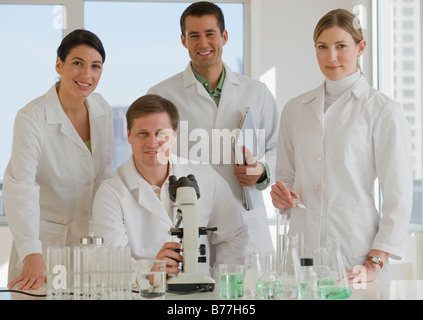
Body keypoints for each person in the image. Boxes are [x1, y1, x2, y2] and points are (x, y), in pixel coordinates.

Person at [270, 9, 412, 282]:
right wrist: (281, 194)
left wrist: (374, 261)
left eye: (341, 46)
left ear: (361, 47)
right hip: (300, 255)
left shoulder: (383, 110)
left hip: (355, 256)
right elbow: (286, 176)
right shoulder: (295, 109)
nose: (331, 57)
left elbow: (399, 196)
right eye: (322, 47)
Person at [148, 1, 280, 261]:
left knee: (250, 294)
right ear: (183, 41)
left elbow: (278, 147)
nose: (203, 43)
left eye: (210, 34)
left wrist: (262, 171)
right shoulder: (161, 95)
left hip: (247, 218)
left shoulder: (256, 92)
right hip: (189, 219)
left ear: (224, 36)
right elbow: (153, 158)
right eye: (194, 35)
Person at [89, 94, 248, 281]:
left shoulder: (206, 177)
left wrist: (219, 287)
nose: (152, 143)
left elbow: (233, 236)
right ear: (129, 135)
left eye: (161, 133)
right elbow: (107, 260)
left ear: (174, 135)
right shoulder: (111, 192)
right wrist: (149, 272)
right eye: (143, 133)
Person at [3, 29, 115, 290]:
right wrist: (31, 252)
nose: (87, 74)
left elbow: (106, 175)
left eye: (95, 66)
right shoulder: (32, 118)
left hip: (91, 247)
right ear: (59, 64)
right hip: (44, 248)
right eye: (78, 63)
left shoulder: (103, 110)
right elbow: (20, 188)